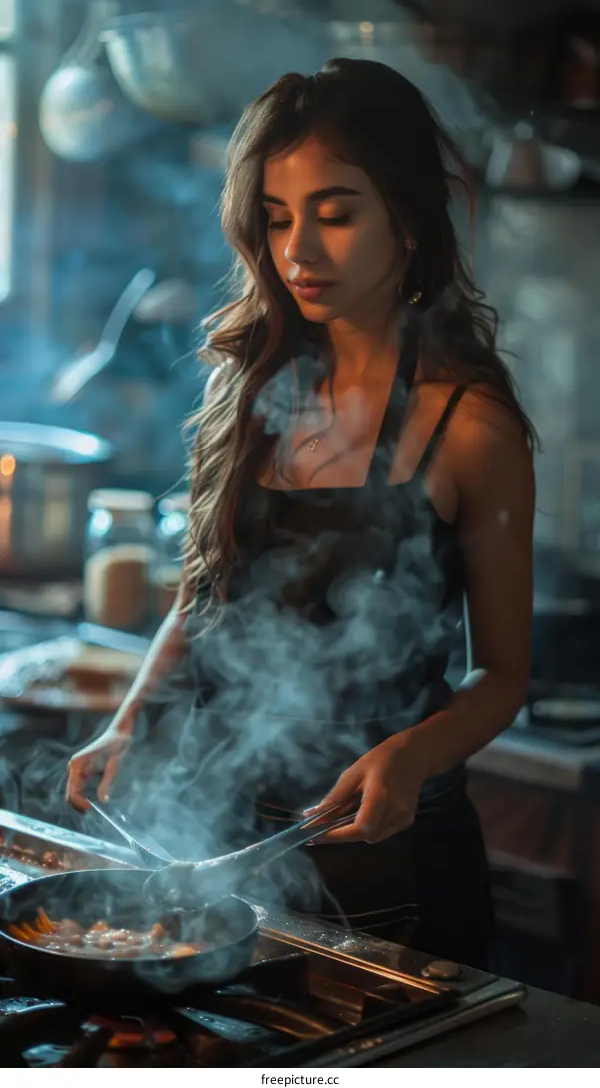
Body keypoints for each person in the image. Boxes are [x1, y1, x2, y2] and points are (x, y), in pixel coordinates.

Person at [66, 58, 535, 970]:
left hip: (388, 866)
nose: (298, 252)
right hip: (222, 847)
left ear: (406, 216)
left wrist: (411, 755)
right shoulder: (248, 388)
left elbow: (505, 676)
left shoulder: (470, 426)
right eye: (277, 218)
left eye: (336, 211)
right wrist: (127, 717)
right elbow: (203, 597)